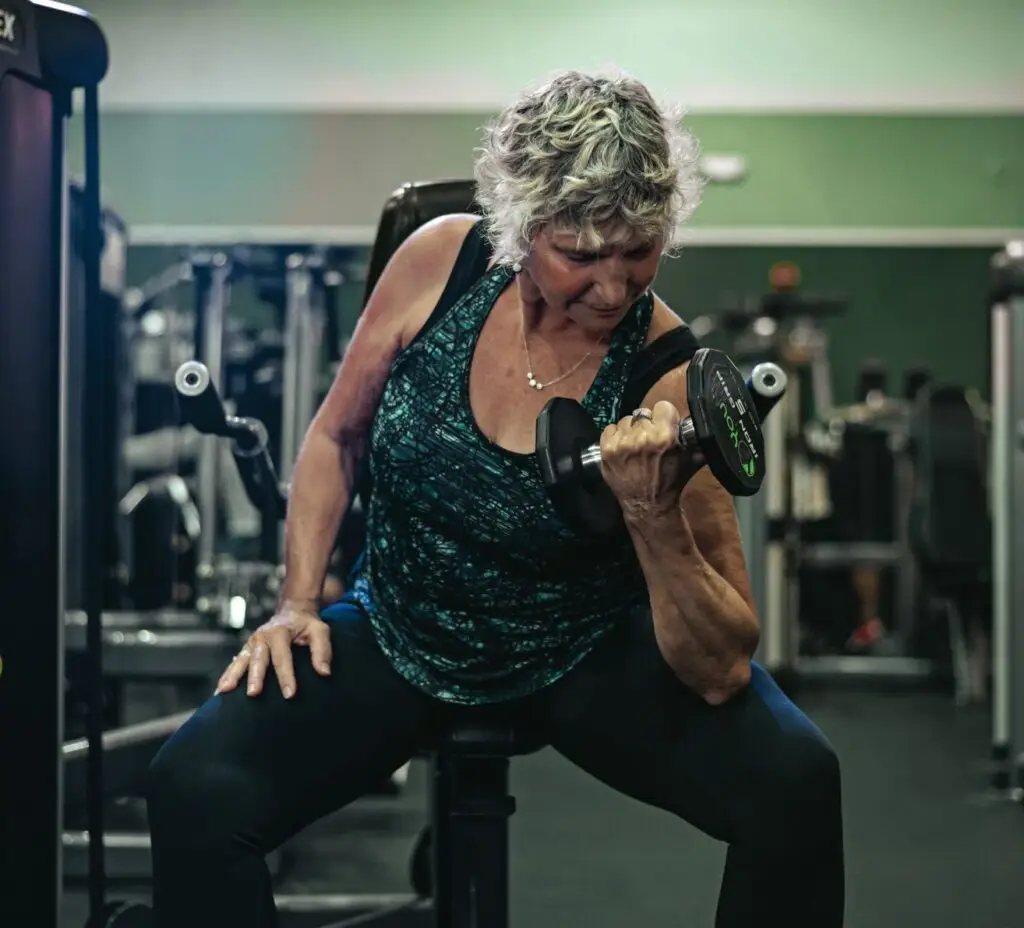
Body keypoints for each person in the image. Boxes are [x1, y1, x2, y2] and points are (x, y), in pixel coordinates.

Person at [147, 69, 845, 927]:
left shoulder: (665, 373)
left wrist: (651, 513)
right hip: (403, 622)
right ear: (521, 226)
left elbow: (722, 663)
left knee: (798, 784)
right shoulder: (440, 262)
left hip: (576, 649)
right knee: (194, 785)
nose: (615, 285)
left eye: (639, 250)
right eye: (582, 254)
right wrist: (297, 603)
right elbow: (336, 436)